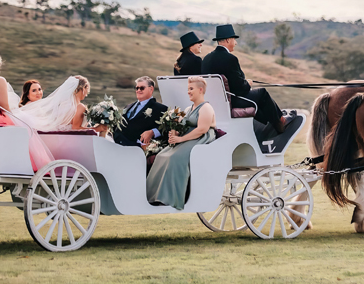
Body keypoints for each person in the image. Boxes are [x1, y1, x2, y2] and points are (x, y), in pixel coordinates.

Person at [201, 24, 290, 133]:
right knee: (262, 93)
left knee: (257, 97)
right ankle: (279, 124)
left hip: (216, 101)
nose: (236, 43)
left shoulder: (206, 59)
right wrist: (247, 83)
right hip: (232, 100)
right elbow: (240, 88)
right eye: (234, 39)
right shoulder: (230, 59)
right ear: (228, 40)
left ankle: (270, 123)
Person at [146, 76, 216, 210]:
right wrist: (174, 131)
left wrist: (180, 139)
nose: (188, 91)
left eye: (191, 89)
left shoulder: (206, 107)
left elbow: (202, 129)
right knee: (162, 155)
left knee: (175, 158)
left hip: (200, 140)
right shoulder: (189, 108)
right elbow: (182, 126)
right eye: (188, 89)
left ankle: (171, 198)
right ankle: (154, 196)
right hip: (187, 138)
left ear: (200, 90)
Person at [113, 77, 167, 147]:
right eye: (137, 88)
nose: (138, 90)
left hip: (137, 149)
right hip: (117, 146)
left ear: (151, 89)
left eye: (142, 88)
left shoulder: (160, 108)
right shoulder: (128, 106)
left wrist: (153, 132)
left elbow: (167, 128)